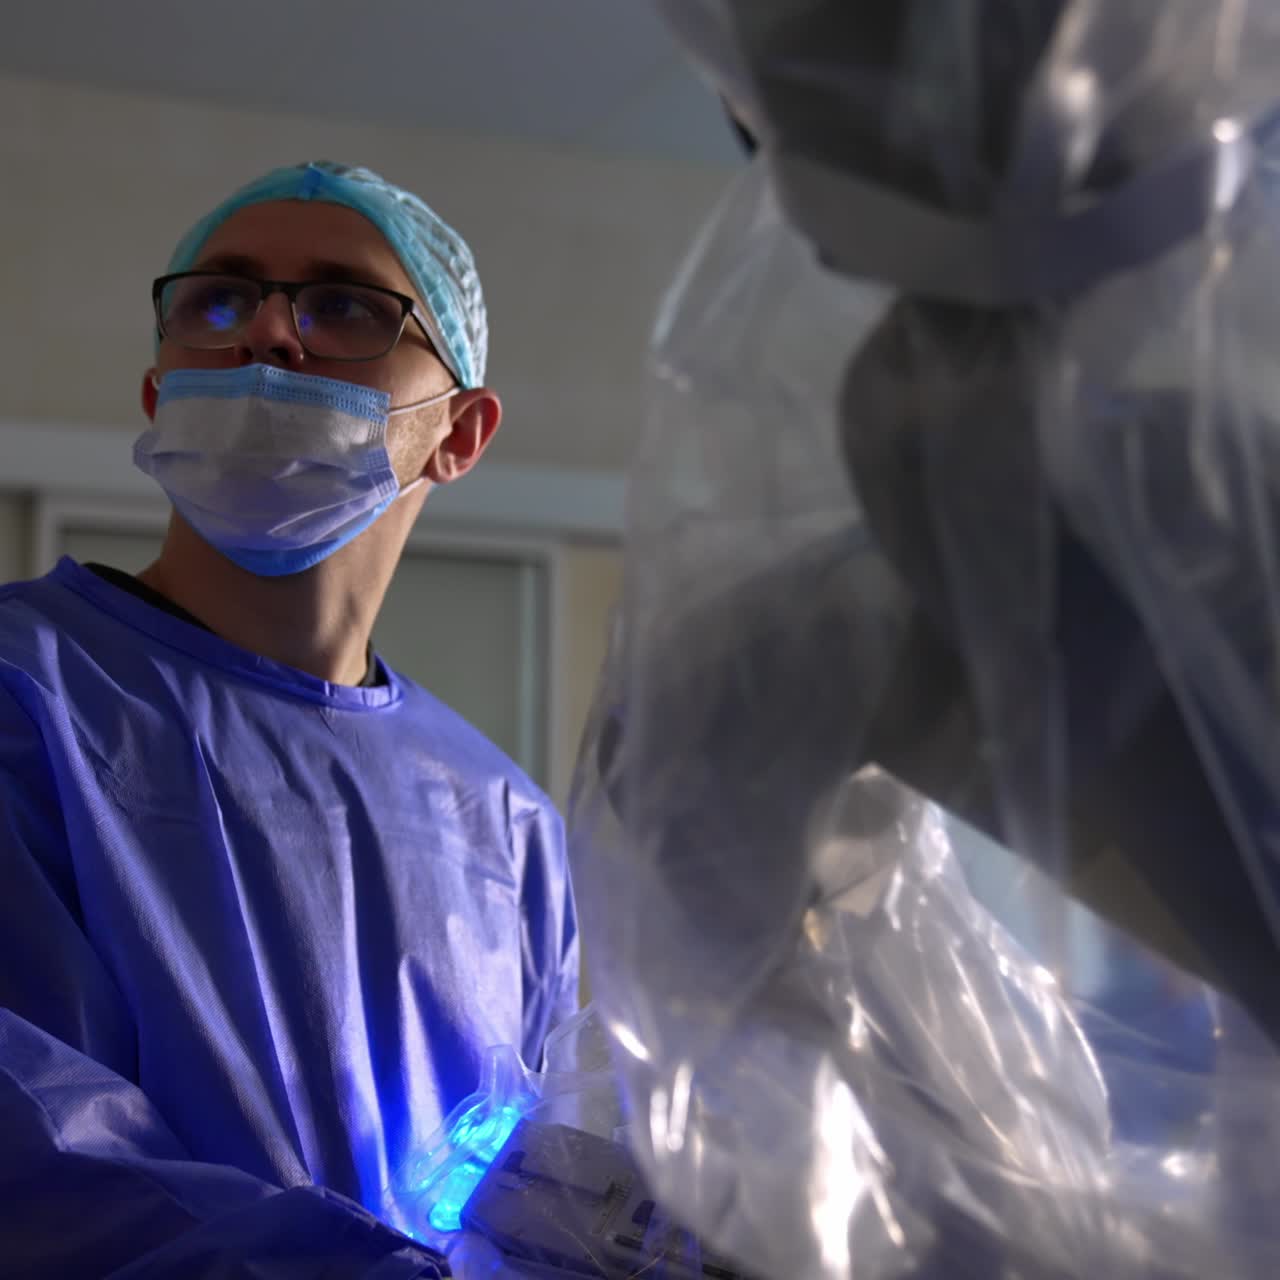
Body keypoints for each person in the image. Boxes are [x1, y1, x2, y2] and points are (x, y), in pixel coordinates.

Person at [0, 161, 579, 1278]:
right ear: (160, 392)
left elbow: (534, 1188)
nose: (267, 331)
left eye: (345, 306)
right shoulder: (28, 695)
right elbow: (32, 1157)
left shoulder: (507, 825)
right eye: (218, 299)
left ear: (459, 433)